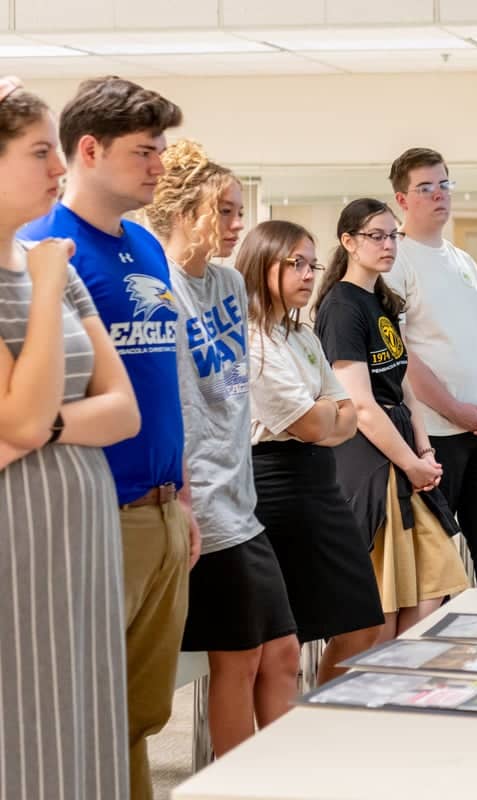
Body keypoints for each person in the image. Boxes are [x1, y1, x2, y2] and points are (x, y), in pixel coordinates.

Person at [21, 76, 194, 800]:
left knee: (143, 712)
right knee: (86, 712)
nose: (159, 166)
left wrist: (180, 494)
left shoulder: (146, 247)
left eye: (162, 150)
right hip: (93, 513)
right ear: (88, 150)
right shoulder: (44, 252)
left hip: (159, 511)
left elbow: (161, 384)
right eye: (145, 151)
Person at [0, 76, 141, 800]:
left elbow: (123, 410)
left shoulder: (50, 267)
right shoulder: (49, 272)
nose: (58, 169)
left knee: (86, 710)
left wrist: (50, 427)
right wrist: (49, 286)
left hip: (81, 527)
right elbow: (15, 420)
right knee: (27, 721)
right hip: (18, 538)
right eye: (36, 153)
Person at [145, 139, 299, 756]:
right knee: (241, 657)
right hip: (201, 500)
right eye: (226, 212)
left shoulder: (230, 284)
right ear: (186, 213)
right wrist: (186, 496)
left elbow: (233, 394)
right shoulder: (159, 287)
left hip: (242, 495)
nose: (239, 225)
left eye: (241, 211)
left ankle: (275, 773)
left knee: (281, 650)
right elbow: (173, 402)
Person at [236, 219, 384, 683]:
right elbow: (313, 421)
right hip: (276, 487)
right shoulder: (252, 341)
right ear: (263, 266)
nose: (308, 274)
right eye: (294, 263)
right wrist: (325, 412)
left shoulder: (303, 336)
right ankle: (284, 732)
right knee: (283, 638)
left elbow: (347, 416)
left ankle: (321, 713)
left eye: (311, 264)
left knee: (362, 620)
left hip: (321, 483)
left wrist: (325, 414)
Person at [314, 198, 467, 636]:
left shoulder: (381, 299)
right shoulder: (341, 308)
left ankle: (405, 682)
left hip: (403, 452)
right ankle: (374, 689)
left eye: (392, 235)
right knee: (385, 601)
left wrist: (424, 448)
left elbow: (402, 384)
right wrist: (410, 462)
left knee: (431, 584)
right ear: (348, 242)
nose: (388, 245)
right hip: (371, 460)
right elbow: (361, 405)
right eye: (375, 236)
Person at [384, 147, 477, 588]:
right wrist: (455, 409)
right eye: (425, 188)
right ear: (402, 200)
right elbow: (401, 354)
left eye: (444, 184)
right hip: (438, 434)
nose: (439, 195)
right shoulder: (395, 261)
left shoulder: (463, 260)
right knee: (436, 559)